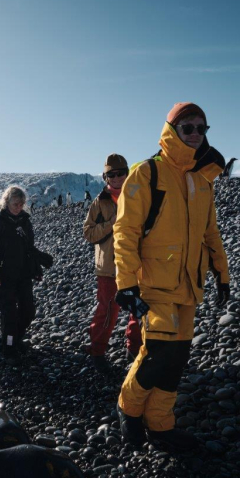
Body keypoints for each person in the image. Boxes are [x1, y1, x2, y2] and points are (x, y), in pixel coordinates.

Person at [113, 102, 230, 452]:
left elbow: (211, 233)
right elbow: (125, 231)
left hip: (190, 285)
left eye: (201, 128)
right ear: (172, 129)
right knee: (157, 352)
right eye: (188, 127)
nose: (195, 134)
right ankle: (128, 409)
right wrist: (126, 285)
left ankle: (160, 424)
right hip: (154, 283)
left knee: (177, 358)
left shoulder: (202, 179)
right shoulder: (147, 173)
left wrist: (222, 274)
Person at [82, 154, 142, 373]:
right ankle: (97, 351)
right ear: (105, 177)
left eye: (120, 173)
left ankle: (134, 348)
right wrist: (111, 224)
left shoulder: (138, 195)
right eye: (111, 175)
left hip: (136, 262)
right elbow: (88, 233)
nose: (116, 178)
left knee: (138, 308)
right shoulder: (100, 202)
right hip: (108, 267)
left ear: (128, 173)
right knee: (107, 310)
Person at [0, 187, 52, 365]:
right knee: (9, 315)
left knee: (28, 311)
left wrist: (37, 264)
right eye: (15, 204)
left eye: (21, 204)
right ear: (6, 202)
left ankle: (16, 339)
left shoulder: (24, 221)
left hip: (22, 274)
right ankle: (9, 348)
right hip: (2, 276)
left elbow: (28, 247)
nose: (19, 207)